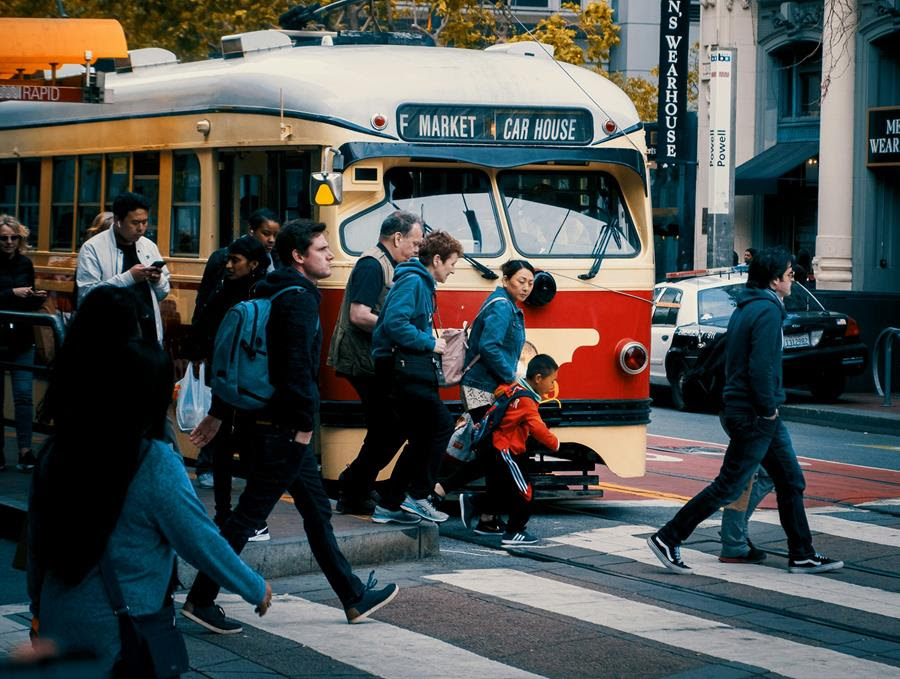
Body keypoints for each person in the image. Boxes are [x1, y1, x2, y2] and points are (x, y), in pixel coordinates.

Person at [27, 286, 271, 674]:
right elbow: (197, 535)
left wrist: (38, 609)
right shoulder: (152, 460)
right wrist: (254, 586)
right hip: (121, 628)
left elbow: (37, 538)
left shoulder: (58, 450)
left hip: (60, 618)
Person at [183, 219, 399, 633]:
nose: (331, 255)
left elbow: (250, 358)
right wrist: (303, 426)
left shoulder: (267, 288)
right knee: (248, 517)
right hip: (283, 428)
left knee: (316, 511)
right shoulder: (298, 298)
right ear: (299, 256)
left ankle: (352, 597)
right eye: (322, 249)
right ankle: (201, 597)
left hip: (263, 420)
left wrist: (221, 411)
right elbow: (294, 368)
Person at [647, 247, 844, 575]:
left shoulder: (749, 306)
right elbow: (761, 368)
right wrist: (767, 409)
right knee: (729, 485)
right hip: (755, 414)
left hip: (751, 411)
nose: (793, 276)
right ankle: (668, 537)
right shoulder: (766, 311)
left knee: (790, 480)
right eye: (789, 273)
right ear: (774, 279)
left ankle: (802, 553)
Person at [329, 210, 424, 515]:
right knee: (390, 425)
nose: (418, 249)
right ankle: (354, 485)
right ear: (397, 238)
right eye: (415, 242)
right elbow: (359, 314)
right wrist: (395, 328)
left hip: (372, 359)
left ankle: (355, 485)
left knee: (387, 426)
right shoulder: (373, 265)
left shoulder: (390, 264)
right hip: (361, 359)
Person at [369, 231, 463, 525]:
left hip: (401, 366)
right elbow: (394, 322)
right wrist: (428, 342)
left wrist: (430, 338)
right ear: (436, 259)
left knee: (422, 434)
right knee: (440, 426)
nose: (453, 269)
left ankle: (390, 503)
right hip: (404, 368)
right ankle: (418, 494)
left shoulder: (416, 281)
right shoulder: (414, 282)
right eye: (451, 263)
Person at [439, 259, 535, 535]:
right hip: (481, 388)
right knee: (494, 451)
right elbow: (489, 346)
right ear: (506, 279)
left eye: (530, 283)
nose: (527, 287)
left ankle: (484, 513)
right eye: (521, 281)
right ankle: (452, 494)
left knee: (492, 450)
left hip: (486, 387)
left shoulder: (506, 304)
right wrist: (512, 378)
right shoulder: (503, 307)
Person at [189, 235, 270, 537]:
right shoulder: (227, 288)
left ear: (253, 264)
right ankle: (225, 513)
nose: (228, 264)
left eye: (235, 260)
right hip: (225, 378)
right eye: (229, 258)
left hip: (247, 382)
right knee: (224, 447)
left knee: (247, 449)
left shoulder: (257, 293)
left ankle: (251, 518)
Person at [460, 354, 559, 546]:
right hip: (506, 450)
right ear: (538, 378)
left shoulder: (514, 388)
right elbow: (538, 428)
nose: (552, 386)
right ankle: (514, 531)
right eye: (552, 381)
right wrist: (555, 444)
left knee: (504, 490)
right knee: (525, 491)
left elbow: (499, 394)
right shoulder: (527, 401)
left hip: (497, 447)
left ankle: (476, 504)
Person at [75, 192, 170, 343]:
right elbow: (87, 296)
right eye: (135, 223)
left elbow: (163, 292)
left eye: (145, 222)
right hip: (111, 339)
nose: (141, 228)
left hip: (148, 335)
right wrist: (128, 278)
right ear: (118, 220)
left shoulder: (149, 246)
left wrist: (157, 280)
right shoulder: (92, 248)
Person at [0, 215, 47, 472]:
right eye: (4, 238)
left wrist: (34, 297)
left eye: (13, 238)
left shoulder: (25, 264)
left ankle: (25, 450)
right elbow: (11, 296)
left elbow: (25, 299)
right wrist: (12, 294)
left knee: (23, 396)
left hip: (21, 337)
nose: (9, 242)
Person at [194, 208, 282, 323]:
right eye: (266, 233)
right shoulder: (222, 257)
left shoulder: (276, 260)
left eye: (275, 235)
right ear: (251, 230)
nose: (272, 240)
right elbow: (204, 298)